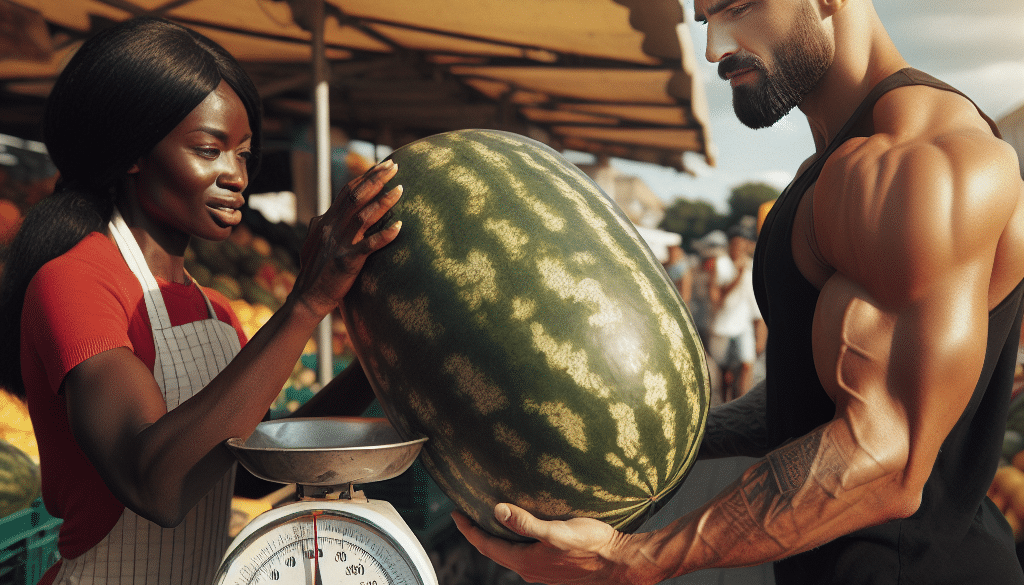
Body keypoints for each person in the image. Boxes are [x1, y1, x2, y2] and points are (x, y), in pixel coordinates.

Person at [453, 0, 1024, 583]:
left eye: (739, 7)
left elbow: (885, 458)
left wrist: (625, 560)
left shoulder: (918, 163)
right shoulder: (828, 166)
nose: (713, 49)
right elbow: (809, 391)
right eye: (706, 19)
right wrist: (665, 438)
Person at [0, 17, 402, 585]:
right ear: (132, 152)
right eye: (210, 150)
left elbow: (248, 473)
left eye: (243, 153)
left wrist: (377, 366)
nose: (236, 175)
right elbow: (157, 486)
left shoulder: (214, 308)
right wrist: (306, 303)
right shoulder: (74, 281)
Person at [706, 221, 763, 402]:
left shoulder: (753, 266)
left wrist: (760, 331)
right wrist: (736, 278)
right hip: (723, 326)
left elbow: (755, 301)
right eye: (735, 243)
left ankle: (741, 401)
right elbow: (716, 299)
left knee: (747, 365)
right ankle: (726, 403)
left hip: (744, 325)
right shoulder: (721, 265)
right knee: (726, 374)